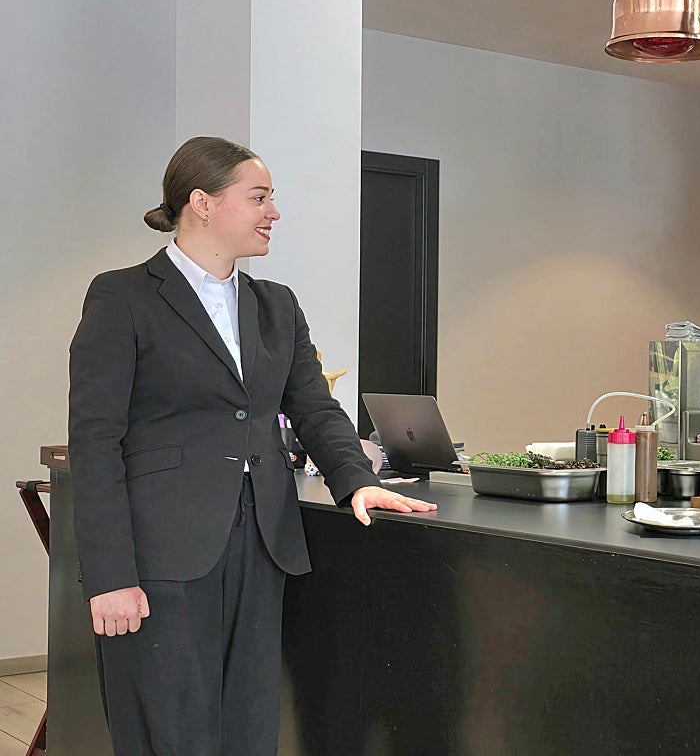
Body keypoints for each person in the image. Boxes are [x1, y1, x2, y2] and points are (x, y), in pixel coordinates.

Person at [68, 136, 436, 756]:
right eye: (259, 197)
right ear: (202, 203)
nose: (274, 212)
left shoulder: (276, 305)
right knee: (168, 730)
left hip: (262, 543)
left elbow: (314, 407)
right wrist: (108, 575)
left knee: (249, 725)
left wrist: (357, 478)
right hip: (161, 555)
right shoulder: (123, 295)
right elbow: (95, 440)